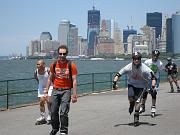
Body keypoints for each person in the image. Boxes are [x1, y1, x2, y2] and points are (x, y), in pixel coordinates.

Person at [112, 52, 156, 127]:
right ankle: (131, 104)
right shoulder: (128, 67)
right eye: (135, 59)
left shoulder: (145, 68)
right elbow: (118, 74)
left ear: (140, 59)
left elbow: (153, 77)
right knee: (130, 98)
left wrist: (152, 87)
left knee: (138, 101)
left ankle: (136, 118)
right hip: (131, 85)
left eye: (138, 59)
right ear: (132, 59)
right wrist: (114, 83)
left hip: (141, 87)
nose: (136, 60)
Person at [46, 45, 78, 135]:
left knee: (63, 112)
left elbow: (74, 80)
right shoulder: (54, 64)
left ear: (67, 54)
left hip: (66, 90)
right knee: (53, 111)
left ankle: (64, 130)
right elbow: (49, 78)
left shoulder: (71, 65)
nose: (62, 55)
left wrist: (74, 95)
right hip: (55, 90)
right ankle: (55, 128)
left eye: (64, 53)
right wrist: (46, 91)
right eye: (60, 53)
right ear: (58, 54)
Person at [139, 50, 163, 117]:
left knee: (153, 92)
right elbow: (143, 69)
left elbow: (160, 70)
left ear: (158, 56)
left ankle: (153, 107)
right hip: (148, 79)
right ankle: (143, 106)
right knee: (145, 92)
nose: (155, 57)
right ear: (151, 55)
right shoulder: (147, 62)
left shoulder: (160, 63)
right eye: (154, 56)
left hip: (155, 79)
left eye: (156, 56)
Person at [34, 59, 53, 125]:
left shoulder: (48, 70)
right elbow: (37, 79)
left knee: (48, 101)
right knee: (41, 101)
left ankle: (50, 115)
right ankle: (42, 117)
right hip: (41, 87)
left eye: (39, 64)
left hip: (50, 86)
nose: (37, 65)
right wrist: (40, 85)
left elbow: (51, 78)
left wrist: (48, 88)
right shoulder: (36, 71)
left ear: (43, 64)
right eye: (37, 64)